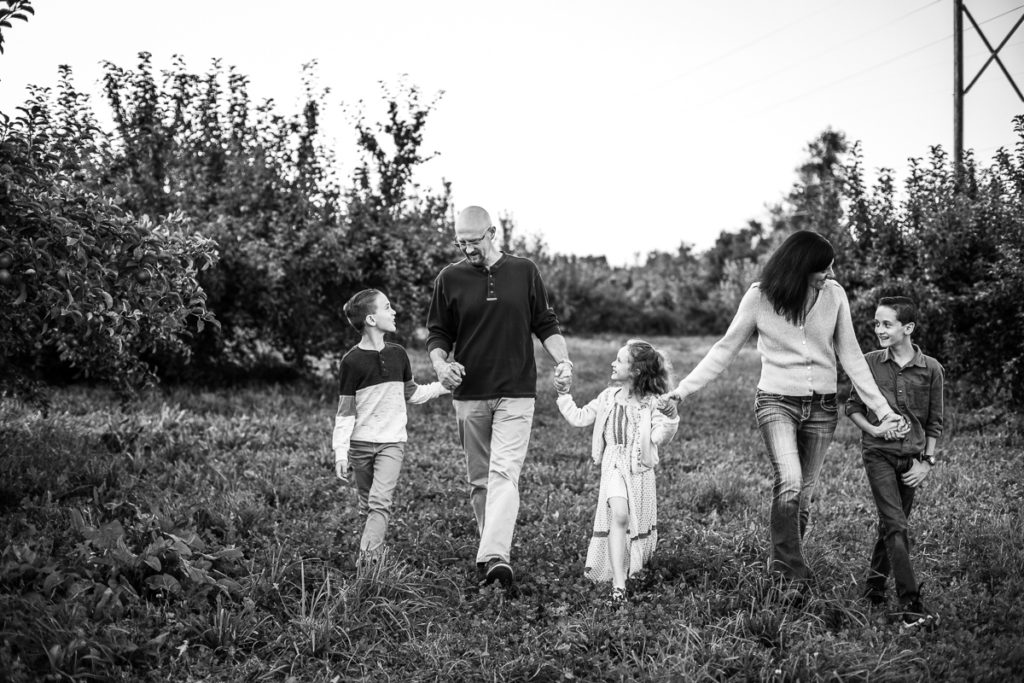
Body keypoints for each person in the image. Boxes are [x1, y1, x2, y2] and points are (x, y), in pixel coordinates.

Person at [666, 230, 904, 595]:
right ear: (801, 266)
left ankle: (783, 567)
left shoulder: (834, 295)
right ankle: (791, 575)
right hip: (776, 401)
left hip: (823, 407)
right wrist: (682, 390)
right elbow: (725, 348)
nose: (830, 272)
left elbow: (851, 356)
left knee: (803, 494)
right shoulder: (760, 297)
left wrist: (882, 410)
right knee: (790, 481)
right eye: (823, 268)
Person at [426, 205, 573, 589]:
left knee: (504, 473)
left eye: (474, 241)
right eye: (461, 242)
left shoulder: (524, 270)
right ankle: (491, 547)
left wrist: (563, 360)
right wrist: (441, 366)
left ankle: (495, 557)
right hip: (470, 393)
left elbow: (545, 321)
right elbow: (438, 334)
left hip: (516, 391)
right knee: (480, 481)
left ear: (492, 233)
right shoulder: (449, 277)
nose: (468, 248)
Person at [332, 289, 450, 567]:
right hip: (360, 445)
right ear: (371, 319)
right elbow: (345, 412)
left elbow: (413, 393)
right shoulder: (351, 361)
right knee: (367, 503)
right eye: (387, 307)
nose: (394, 311)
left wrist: (445, 386)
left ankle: (368, 564)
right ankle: (373, 543)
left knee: (380, 502)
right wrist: (340, 451)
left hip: (391, 444)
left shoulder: (398, 355)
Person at [556, 339, 679, 603]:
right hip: (613, 465)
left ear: (635, 371)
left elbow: (661, 434)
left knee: (630, 521)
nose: (613, 363)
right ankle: (618, 585)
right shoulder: (607, 397)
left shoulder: (651, 404)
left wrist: (670, 417)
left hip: (638, 471)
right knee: (620, 515)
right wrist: (564, 394)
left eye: (620, 360)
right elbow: (579, 417)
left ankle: (627, 570)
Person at [846, 296, 943, 629]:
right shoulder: (869, 362)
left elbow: (935, 422)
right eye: (876, 323)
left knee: (890, 526)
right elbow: (852, 407)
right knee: (897, 525)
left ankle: (873, 588)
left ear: (908, 328)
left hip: (913, 460)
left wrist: (927, 463)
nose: (879, 329)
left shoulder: (931, 369)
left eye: (886, 324)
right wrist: (875, 428)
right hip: (879, 455)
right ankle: (911, 604)